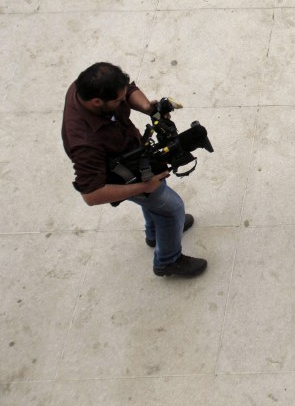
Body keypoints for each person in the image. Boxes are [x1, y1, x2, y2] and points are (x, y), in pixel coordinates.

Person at [61, 62, 207, 278]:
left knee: (156, 196)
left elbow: (128, 90)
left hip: (133, 154)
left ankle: (156, 233)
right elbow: (91, 194)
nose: (124, 101)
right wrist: (144, 186)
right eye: (119, 101)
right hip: (121, 175)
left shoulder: (86, 86)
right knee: (171, 208)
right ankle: (168, 261)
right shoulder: (84, 143)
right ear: (96, 102)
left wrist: (150, 109)